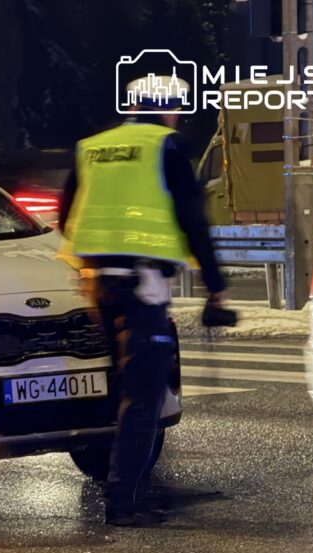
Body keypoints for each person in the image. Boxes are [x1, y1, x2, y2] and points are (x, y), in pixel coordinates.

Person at [58, 75, 229, 527]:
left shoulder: (93, 147)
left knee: (123, 387)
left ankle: (120, 487)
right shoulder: (166, 147)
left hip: (98, 283)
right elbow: (193, 219)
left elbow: (65, 214)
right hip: (143, 284)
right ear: (169, 108)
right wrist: (216, 285)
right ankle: (123, 501)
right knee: (143, 395)